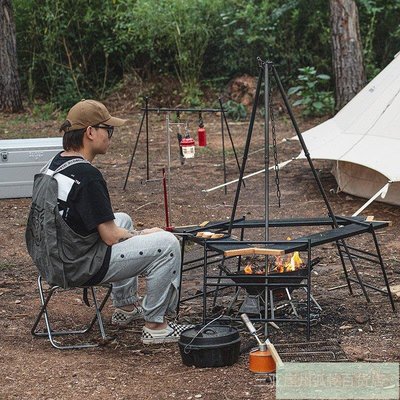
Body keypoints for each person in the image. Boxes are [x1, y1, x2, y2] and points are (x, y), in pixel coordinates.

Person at [26, 99, 192, 344]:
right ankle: (157, 326)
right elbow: (111, 237)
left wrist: (131, 231)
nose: (110, 136)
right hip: (76, 266)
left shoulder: (54, 165)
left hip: (52, 259)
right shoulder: (87, 176)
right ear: (90, 132)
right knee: (167, 244)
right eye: (108, 129)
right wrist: (146, 233)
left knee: (122, 218)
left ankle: (125, 308)